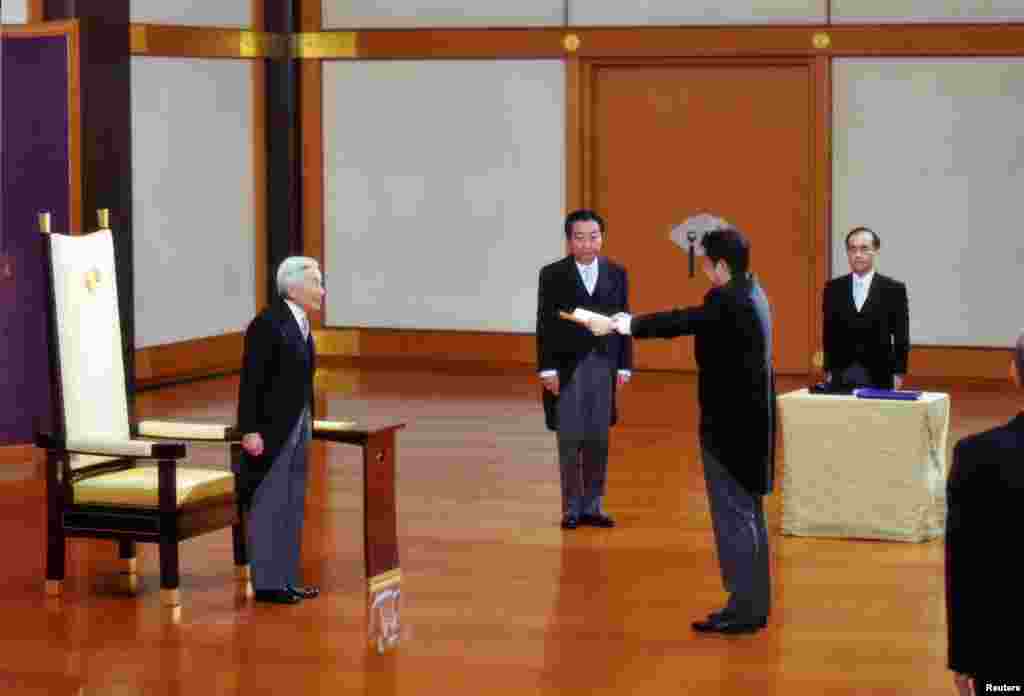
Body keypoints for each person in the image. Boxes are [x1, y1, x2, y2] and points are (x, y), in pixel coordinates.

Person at [607, 226, 774, 635]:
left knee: (733, 517)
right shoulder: (754, 290)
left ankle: (744, 609)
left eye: (705, 263)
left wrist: (628, 325)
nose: (702, 270)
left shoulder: (727, 299)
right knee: (748, 516)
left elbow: (684, 320)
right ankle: (752, 604)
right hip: (752, 425)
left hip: (729, 429)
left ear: (720, 265)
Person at [536, 209, 632, 530]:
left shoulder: (617, 273)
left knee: (598, 438)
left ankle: (593, 505)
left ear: (601, 238)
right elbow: (545, 325)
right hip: (567, 366)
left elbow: (624, 319)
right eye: (580, 237)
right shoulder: (552, 274)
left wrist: (625, 366)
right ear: (568, 241)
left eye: (594, 236)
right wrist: (547, 369)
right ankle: (571, 508)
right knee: (569, 438)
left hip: (605, 364)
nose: (588, 243)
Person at [237, 256, 325, 604]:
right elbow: (251, 381)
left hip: (299, 424)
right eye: (316, 281)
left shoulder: (300, 324)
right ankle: (268, 583)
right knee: (269, 502)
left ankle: (286, 579)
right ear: (293, 286)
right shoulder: (267, 324)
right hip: (273, 429)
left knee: (291, 503)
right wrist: (250, 430)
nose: (322, 290)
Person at [945, 330, 1024, 694]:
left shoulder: (977, 457)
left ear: (1014, 373)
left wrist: (963, 657)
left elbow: (964, 567)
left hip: (1003, 656)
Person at [823, 226, 909, 390]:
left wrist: (899, 373)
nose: (858, 255)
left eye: (864, 249)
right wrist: (828, 369)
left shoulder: (894, 289)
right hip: (841, 372)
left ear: (875, 251)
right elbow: (829, 332)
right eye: (852, 249)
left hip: (880, 373)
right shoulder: (833, 288)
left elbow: (901, 335)